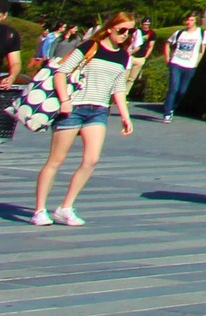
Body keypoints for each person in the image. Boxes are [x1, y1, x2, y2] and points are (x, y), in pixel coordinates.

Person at [31, 12, 138, 226]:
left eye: (130, 31)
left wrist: (125, 116)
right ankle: (40, 209)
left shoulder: (123, 55)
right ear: (110, 28)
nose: (125, 35)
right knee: (56, 160)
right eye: (122, 30)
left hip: (98, 110)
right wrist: (64, 100)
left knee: (91, 160)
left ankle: (65, 207)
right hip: (74, 107)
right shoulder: (90, 47)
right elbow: (61, 72)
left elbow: (118, 87)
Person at [161, 13, 206, 120]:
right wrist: (167, 57)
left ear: (196, 21)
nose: (189, 22)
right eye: (187, 20)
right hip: (176, 63)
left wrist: (196, 63)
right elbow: (167, 43)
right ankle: (167, 113)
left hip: (190, 65)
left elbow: (202, 51)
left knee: (182, 91)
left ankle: (173, 107)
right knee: (173, 88)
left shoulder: (202, 33)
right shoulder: (180, 33)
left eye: (191, 20)